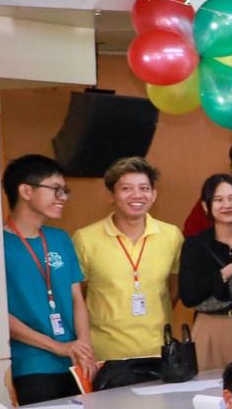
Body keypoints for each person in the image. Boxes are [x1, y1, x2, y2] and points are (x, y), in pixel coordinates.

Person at [74, 156, 183, 389]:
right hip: (107, 355)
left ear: (154, 194)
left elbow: (174, 289)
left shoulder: (171, 235)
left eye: (144, 188)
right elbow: (76, 298)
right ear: (111, 195)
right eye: (126, 189)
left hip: (159, 352)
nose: (137, 195)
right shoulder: (85, 238)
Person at [3, 154, 93, 404]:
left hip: (75, 363)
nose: (62, 197)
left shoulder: (60, 238)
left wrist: (84, 345)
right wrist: (57, 347)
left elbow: (76, 299)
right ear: (26, 191)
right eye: (55, 189)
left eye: (64, 191)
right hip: (32, 366)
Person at [178, 174, 232, 372]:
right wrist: (226, 272)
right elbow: (189, 295)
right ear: (206, 206)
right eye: (218, 200)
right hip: (209, 327)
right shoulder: (195, 245)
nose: (227, 205)